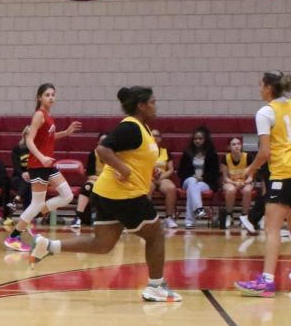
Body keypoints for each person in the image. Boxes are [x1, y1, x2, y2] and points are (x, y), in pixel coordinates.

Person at [29, 86, 183, 303]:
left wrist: (150, 169)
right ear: (141, 105)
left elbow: (133, 156)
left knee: (103, 244)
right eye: (152, 102)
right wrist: (124, 169)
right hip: (124, 194)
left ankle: (48, 246)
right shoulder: (131, 126)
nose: (155, 106)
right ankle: (156, 286)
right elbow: (102, 149)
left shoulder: (143, 129)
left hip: (108, 192)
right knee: (156, 234)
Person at [235, 71, 291, 296]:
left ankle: (267, 280)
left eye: (260, 85)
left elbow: (264, 152)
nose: (259, 89)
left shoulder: (265, 112)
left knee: (271, 228)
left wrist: (250, 170)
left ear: (267, 88)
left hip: (284, 172)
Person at [4, 83, 81, 251]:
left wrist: (66, 133)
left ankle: (31, 217)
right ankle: (13, 236)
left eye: (53, 94)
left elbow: (49, 139)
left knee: (67, 195)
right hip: (38, 165)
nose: (51, 97)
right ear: (39, 97)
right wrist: (41, 157)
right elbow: (29, 140)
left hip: (47, 164)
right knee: (36, 204)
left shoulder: (48, 116)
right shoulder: (39, 115)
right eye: (47, 95)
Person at [177, 125, 220, 229]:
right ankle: (199, 209)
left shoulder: (212, 154)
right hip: (188, 180)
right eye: (195, 138)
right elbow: (180, 172)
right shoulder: (187, 153)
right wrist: (192, 176)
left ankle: (189, 221)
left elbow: (214, 174)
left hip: (205, 182)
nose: (197, 141)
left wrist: (202, 178)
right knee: (192, 182)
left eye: (200, 139)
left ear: (205, 140)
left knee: (193, 188)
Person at [71, 132, 107, 231]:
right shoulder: (93, 154)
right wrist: (101, 179)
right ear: (98, 142)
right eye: (102, 141)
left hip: (110, 181)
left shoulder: (114, 154)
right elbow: (90, 175)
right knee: (87, 186)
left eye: (106, 141)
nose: (104, 143)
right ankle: (77, 217)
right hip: (97, 179)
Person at [220, 136, 255, 230]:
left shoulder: (248, 156)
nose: (236, 146)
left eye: (238, 144)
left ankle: (244, 216)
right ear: (229, 147)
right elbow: (225, 178)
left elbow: (251, 177)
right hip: (231, 182)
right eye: (234, 144)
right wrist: (235, 183)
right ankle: (229, 215)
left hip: (244, 181)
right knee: (231, 190)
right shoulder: (225, 158)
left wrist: (243, 183)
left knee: (247, 190)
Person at [149, 127, 178, 228]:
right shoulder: (144, 152)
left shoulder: (166, 152)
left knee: (171, 188)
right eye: (152, 136)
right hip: (149, 178)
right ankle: (147, 218)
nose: (155, 138)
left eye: (157, 136)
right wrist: (151, 178)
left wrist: (160, 178)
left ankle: (169, 218)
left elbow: (170, 169)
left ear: (160, 139)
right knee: (146, 188)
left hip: (162, 178)